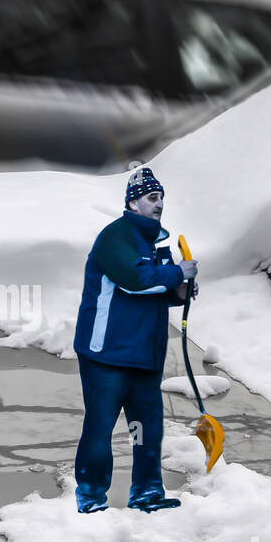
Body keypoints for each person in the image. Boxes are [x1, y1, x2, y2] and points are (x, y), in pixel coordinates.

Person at [72, 167, 196, 514]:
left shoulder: (158, 242)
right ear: (133, 203)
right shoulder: (116, 237)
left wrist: (181, 289)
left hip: (144, 356)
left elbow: (160, 289)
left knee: (146, 429)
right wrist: (177, 273)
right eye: (152, 198)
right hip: (107, 355)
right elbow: (134, 280)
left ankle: (147, 493)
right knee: (100, 427)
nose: (159, 205)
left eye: (161, 199)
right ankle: (91, 496)